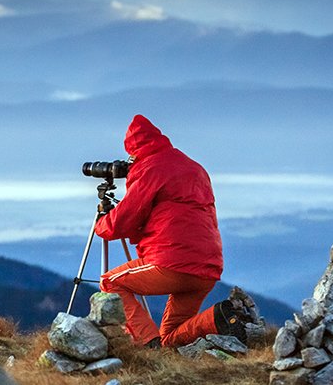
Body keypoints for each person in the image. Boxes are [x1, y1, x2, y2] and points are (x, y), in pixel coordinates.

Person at [95, 114, 251, 347]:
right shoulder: (194, 167)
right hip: (207, 267)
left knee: (110, 283)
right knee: (171, 339)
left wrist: (102, 223)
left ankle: (149, 343)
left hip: (171, 263)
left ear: (134, 149)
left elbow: (124, 219)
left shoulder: (150, 168)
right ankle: (217, 319)